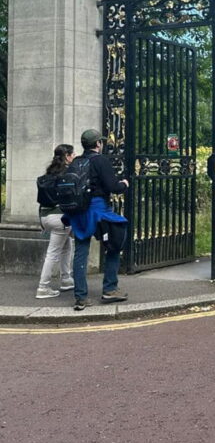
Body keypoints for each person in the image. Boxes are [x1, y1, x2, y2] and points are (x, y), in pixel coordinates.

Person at [68, 129, 130, 311]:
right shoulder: (100, 160)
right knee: (115, 243)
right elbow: (112, 186)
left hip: (78, 211)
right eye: (100, 142)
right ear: (97, 144)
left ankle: (80, 297)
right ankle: (110, 289)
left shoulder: (77, 161)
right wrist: (124, 184)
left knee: (81, 251)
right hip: (98, 210)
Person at [36, 143, 75, 299]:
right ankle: (43, 287)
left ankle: (66, 279)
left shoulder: (48, 174)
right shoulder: (67, 174)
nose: (74, 157)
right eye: (72, 154)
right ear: (67, 156)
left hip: (45, 216)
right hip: (60, 217)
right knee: (53, 253)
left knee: (67, 246)